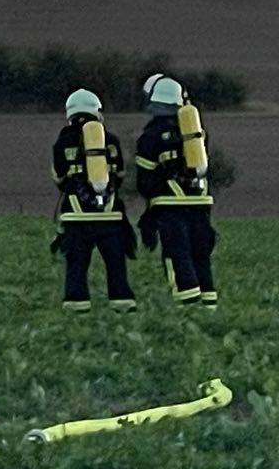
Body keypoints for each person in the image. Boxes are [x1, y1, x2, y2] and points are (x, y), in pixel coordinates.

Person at [134, 74, 217, 308]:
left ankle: (188, 307)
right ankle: (210, 305)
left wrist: (152, 205)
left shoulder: (150, 136)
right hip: (200, 203)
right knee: (200, 255)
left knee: (177, 255)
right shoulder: (195, 133)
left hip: (170, 205)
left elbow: (145, 180)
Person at [49, 88, 136, 313]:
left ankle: (76, 307)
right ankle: (122, 304)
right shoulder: (111, 140)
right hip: (111, 215)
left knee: (77, 266)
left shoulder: (62, 142)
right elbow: (119, 176)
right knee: (116, 265)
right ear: (97, 112)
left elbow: (59, 178)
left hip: (76, 216)